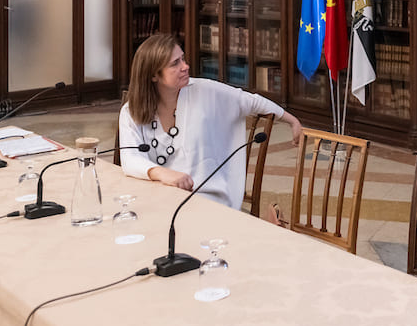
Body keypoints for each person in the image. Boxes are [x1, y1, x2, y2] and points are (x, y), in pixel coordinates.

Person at [119, 33, 303, 210]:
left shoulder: (204, 91)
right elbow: (129, 158)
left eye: (183, 59)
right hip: (160, 197)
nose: (185, 66)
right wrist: (163, 173)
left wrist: (292, 121)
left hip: (206, 199)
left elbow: (251, 101)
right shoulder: (131, 111)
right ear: (153, 75)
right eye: (175, 63)